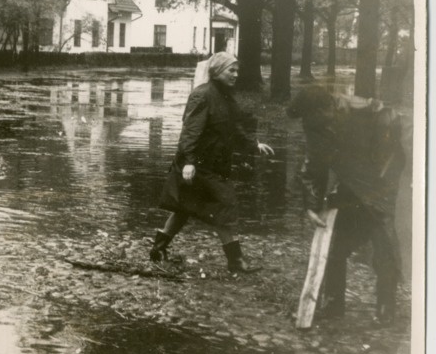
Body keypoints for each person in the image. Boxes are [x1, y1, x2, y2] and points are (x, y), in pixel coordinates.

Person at [287, 85, 406, 326]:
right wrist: (311, 205)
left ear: (326, 107)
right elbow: (314, 163)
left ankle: (386, 308)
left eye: (311, 116)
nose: (309, 123)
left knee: (385, 247)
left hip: (382, 186)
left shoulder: (366, 110)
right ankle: (333, 305)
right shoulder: (315, 122)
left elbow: (403, 137)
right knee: (335, 245)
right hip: (350, 187)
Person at [151, 52, 275, 273]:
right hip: (198, 165)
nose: (236, 75)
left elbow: (233, 128)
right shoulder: (203, 95)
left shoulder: (226, 96)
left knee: (183, 208)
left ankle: (158, 248)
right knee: (224, 205)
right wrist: (189, 162)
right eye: (231, 70)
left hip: (213, 164)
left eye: (237, 70)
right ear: (217, 71)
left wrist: (253, 145)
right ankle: (236, 262)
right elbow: (190, 132)